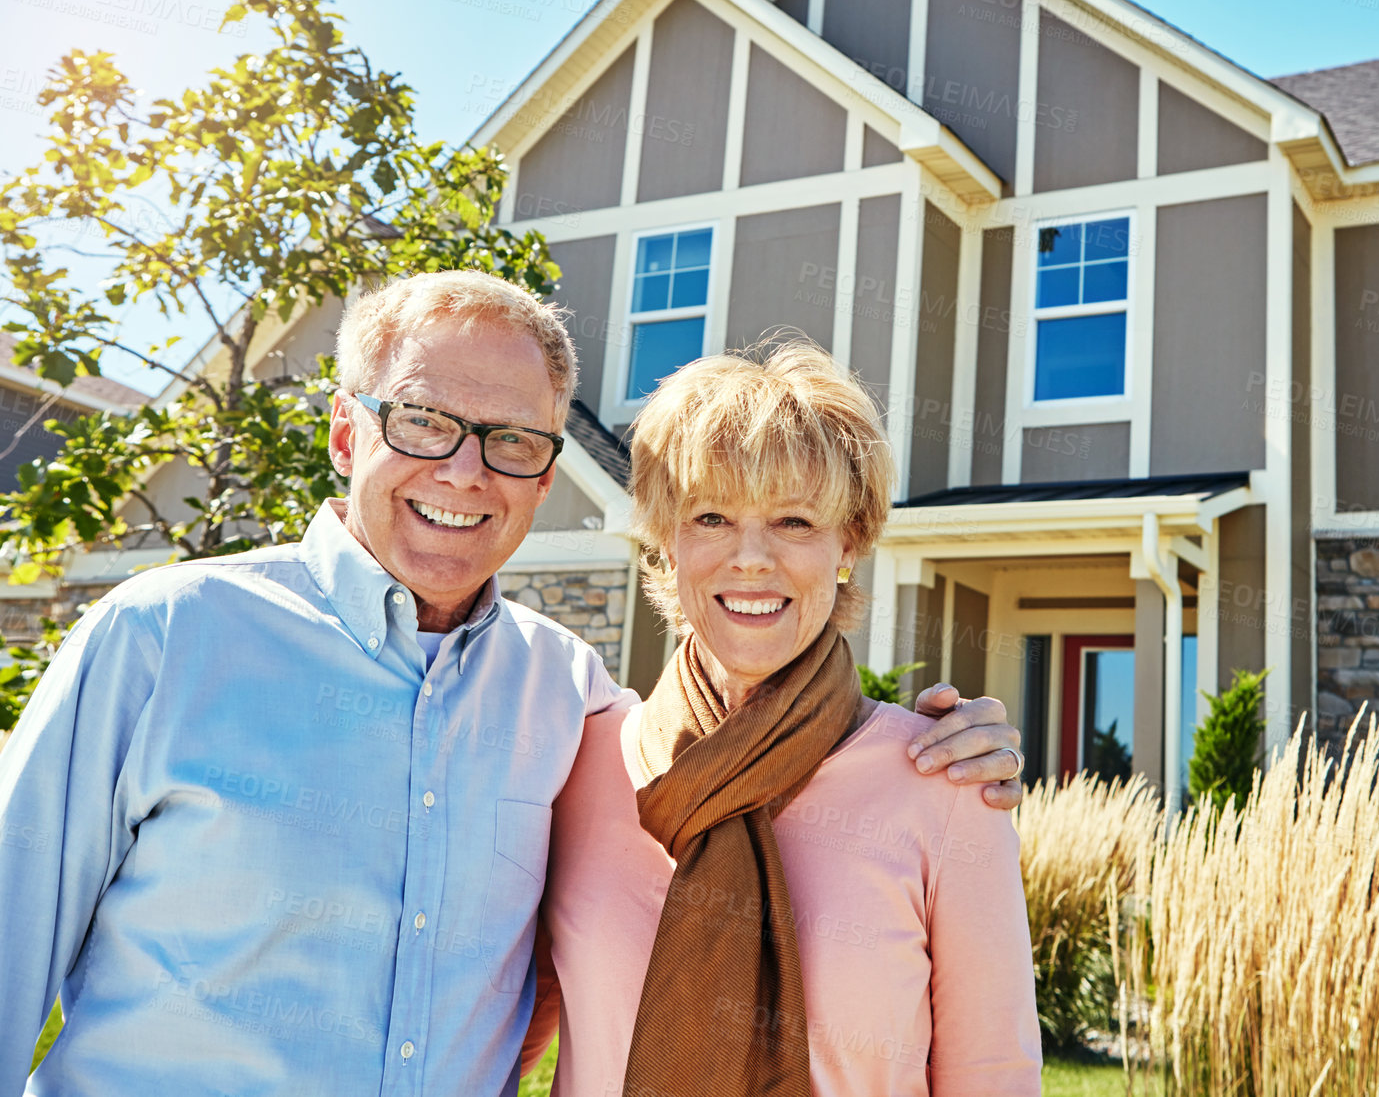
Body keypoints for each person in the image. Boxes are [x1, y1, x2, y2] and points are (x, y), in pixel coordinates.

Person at [0, 271, 1025, 1096]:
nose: (463, 470)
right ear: (345, 432)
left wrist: (960, 736)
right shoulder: (165, 637)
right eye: (422, 421)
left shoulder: (570, 704)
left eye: (512, 442)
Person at [525, 341, 1041, 1096]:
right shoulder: (579, 761)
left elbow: (990, 1074)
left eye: (794, 521)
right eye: (711, 516)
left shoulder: (943, 781)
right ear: (668, 541)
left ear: (849, 543)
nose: (751, 558)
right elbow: (498, 1027)